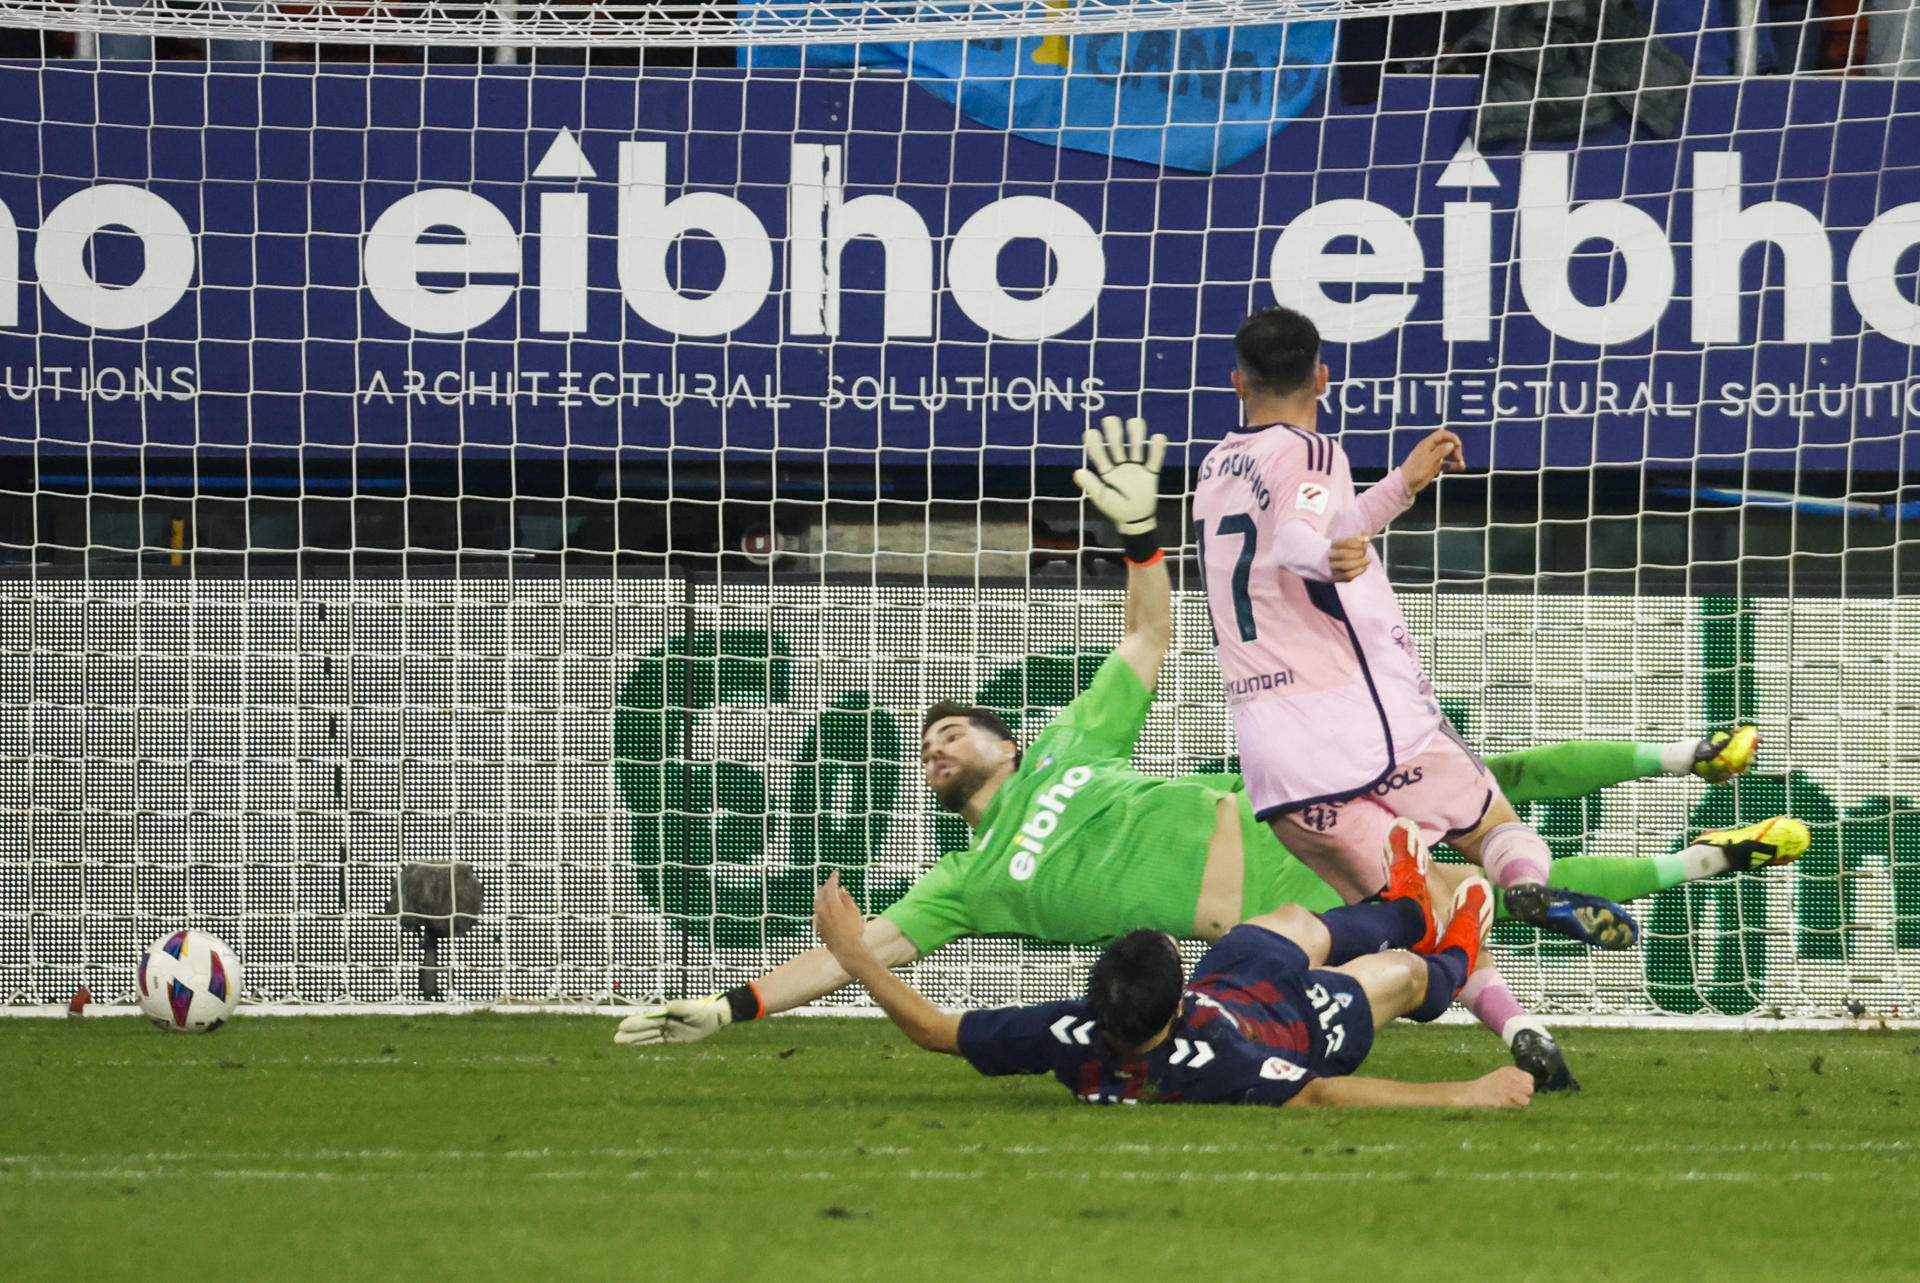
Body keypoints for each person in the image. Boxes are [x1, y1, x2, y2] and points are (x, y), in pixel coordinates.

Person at [616, 416, 1804, 1090]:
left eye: (954, 726)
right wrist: (731, 1004)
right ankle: (1693, 863)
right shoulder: (964, 882)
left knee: (1495, 790)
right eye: (927, 746)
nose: (938, 744)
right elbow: (860, 950)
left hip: (1296, 815)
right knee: (1474, 903)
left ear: (1006, 737)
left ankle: (1675, 775)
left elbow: (1148, 630)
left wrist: (1141, 535)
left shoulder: (1073, 741)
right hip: (1274, 923)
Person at [806, 827, 1536, 1109]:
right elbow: (1320, 1095)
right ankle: (1454, 951)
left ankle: (1406, 905)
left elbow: (934, 1030)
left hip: (1232, 986)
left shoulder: (1068, 1031)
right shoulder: (1218, 1063)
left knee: (1288, 919)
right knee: (1400, 975)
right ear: (1177, 1000)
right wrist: (1466, 1093)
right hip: (1291, 1026)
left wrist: (854, 954)